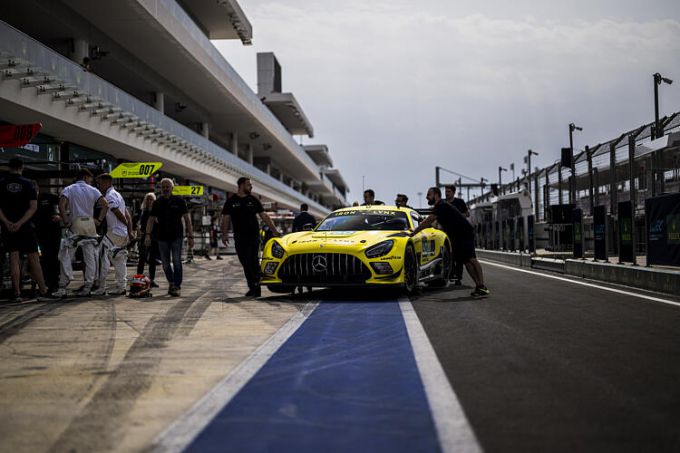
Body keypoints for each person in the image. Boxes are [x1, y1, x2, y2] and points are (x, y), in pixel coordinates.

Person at [409, 187, 489, 297]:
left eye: (429, 194)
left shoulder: (441, 205)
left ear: (436, 195)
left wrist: (414, 232)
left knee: (472, 259)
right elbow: (432, 224)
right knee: (466, 261)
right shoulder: (439, 206)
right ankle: (479, 286)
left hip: (464, 233)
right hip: (456, 235)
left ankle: (482, 285)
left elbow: (428, 221)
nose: (427, 197)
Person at [0, 158, 57, 301]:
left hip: (8, 227)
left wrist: (7, 222)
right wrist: (20, 223)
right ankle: (43, 291)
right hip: (26, 226)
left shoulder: (1, 183)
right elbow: (33, 207)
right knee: (34, 258)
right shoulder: (28, 183)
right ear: (22, 167)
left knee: (14, 258)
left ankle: (17, 293)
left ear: (9, 167)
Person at [54, 168, 109, 297]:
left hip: (76, 223)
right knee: (90, 257)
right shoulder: (93, 190)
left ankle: (63, 286)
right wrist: (99, 220)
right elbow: (105, 205)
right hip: (89, 224)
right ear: (85, 177)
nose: (91, 181)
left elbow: (61, 205)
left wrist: (65, 220)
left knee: (66, 254)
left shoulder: (69, 189)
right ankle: (88, 286)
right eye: (90, 179)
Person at [221, 177, 280, 298]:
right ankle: (253, 286)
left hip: (253, 236)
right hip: (239, 237)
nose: (251, 186)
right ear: (241, 185)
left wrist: (274, 230)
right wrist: (224, 233)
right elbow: (225, 218)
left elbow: (264, 216)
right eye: (249, 184)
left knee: (253, 260)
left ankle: (255, 287)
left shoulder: (253, 200)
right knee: (245, 262)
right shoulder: (231, 201)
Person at [145, 178, 194, 297]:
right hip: (162, 237)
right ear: (161, 189)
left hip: (177, 236)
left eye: (168, 187)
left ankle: (176, 285)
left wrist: (191, 236)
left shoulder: (180, 201)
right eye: (163, 187)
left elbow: (187, 219)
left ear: (172, 188)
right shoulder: (157, 203)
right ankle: (171, 283)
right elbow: (151, 220)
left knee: (177, 261)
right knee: (165, 263)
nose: (165, 189)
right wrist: (147, 235)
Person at [92, 174, 133, 296]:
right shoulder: (118, 195)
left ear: (107, 182)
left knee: (102, 257)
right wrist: (129, 231)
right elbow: (127, 214)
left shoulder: (109, 196)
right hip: (121, 233)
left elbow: (117, 212)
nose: (98, 186)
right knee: (119, 259)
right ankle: (121, 286)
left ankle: (101, 287)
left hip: (114, 232)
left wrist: (125, 225)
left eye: (100, 183)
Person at [34, 181, 62, 293]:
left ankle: (55, 283)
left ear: (38, 188)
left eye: (35, 188)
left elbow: (64, 202)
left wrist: (60, 215)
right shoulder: (29, 200)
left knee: (53, 257)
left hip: (53, 232)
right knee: (43, 258)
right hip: (39, 233)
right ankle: (45, 282)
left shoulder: (47, 196)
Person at [445, 185, 470, 285]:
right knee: (450, 255)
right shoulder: (443, 203)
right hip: (447, 233)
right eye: (446, 192)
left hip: (459, 233)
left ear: (453, 192)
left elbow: (467, 214)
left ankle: (458, 277)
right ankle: (451, 274)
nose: (447, 193)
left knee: (459, 256)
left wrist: (457, 215)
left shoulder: (459, 202)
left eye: (449, 192)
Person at [136, 192, 159, 287]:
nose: (149, 201)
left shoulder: (157, 211)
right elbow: (137, 223)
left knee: (153, 260)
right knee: (142, 258)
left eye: (151, 199)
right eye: (148, 199)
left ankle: (152, 280)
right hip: (144, 237)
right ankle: (138, 278)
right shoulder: (142, 211)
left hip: (154, 237)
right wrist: (139, 231)